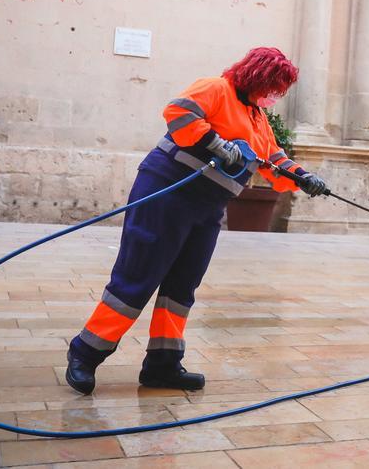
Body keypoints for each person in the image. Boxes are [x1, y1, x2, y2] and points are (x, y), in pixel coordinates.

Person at [64, 47, 329, 394]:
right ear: (258, 76)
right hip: (166, 193)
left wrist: (303, 177)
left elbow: (271, 158)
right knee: (137, 277)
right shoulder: (216, 89)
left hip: (208, 207)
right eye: (274, 87)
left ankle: (162, 364)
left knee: (181, 287)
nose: (276, 96)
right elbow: (178, 111)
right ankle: (85, 352)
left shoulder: (256, 118)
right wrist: (215, 144)